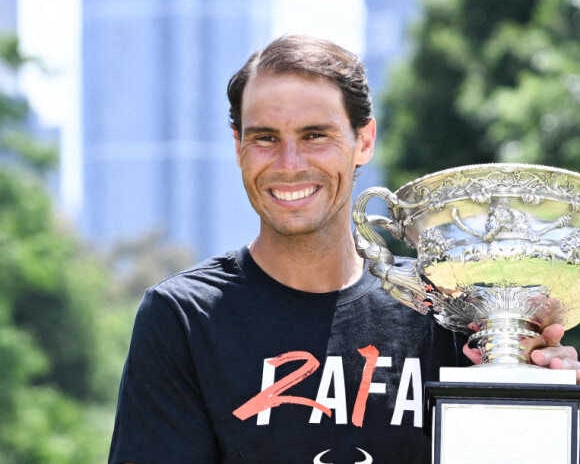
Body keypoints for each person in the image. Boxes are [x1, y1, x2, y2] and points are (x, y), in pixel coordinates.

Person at [108, 35, 579, 464]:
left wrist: (539, 397)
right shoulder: (184, 318)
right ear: (238, 147)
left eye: (315, 136)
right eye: (265, 138)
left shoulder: (449, 308)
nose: (289, 165)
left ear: (364, 140)